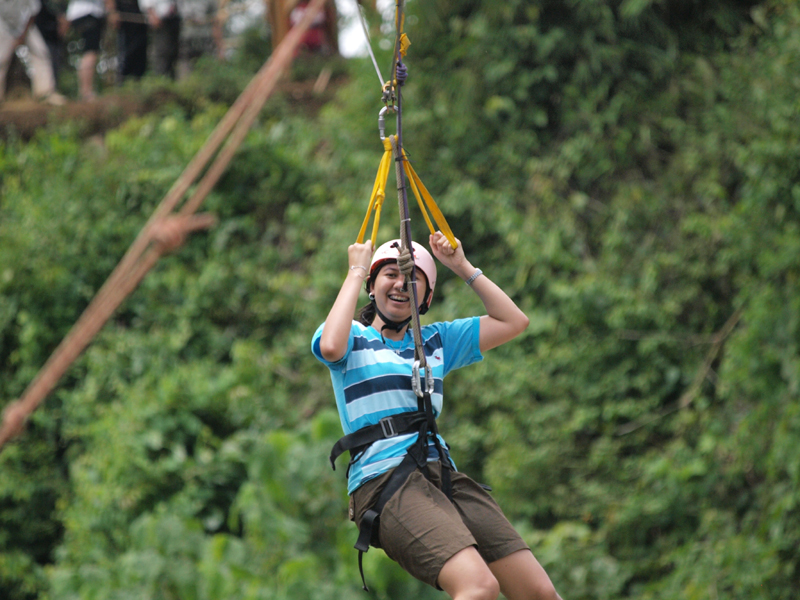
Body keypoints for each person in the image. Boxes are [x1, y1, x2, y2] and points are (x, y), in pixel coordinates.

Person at [312, 232, 564, 600]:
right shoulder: (353, 338)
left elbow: (514, 321)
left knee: (539, 592)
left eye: (412, 277)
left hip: (440, 475)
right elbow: (330, 347)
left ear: (426, 297)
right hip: (384, 482)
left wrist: (460, 266)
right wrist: (356, 269)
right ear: (372, 285)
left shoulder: (436, 341)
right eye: (390, 275)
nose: (400, 284)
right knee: (478, 587)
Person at [0, 0, 66, 104]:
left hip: (25, 25)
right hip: (4, 27)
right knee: (1, 59)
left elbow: (33, 12)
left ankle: (45, 93)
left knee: (41, 53)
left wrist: (23, 34)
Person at [65, 0, 109, 100]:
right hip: (90, 13)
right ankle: (87, 92)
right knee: (91, 52)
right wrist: (111, 11)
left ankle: (84, 91)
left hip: (76, 13)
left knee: (87, 52)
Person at [139, 0, 181, 79]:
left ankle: (171, 79)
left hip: (173, 18)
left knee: (173, 53)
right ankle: (160, 79)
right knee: (162, 52)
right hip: (159, 19)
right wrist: (151, 14)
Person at [110, 0, 147, 84]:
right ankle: (121, 83)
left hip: (140, 14)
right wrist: (112, 11)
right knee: (126, 53)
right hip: (124, 14)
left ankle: (137, 83)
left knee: (140, 51)